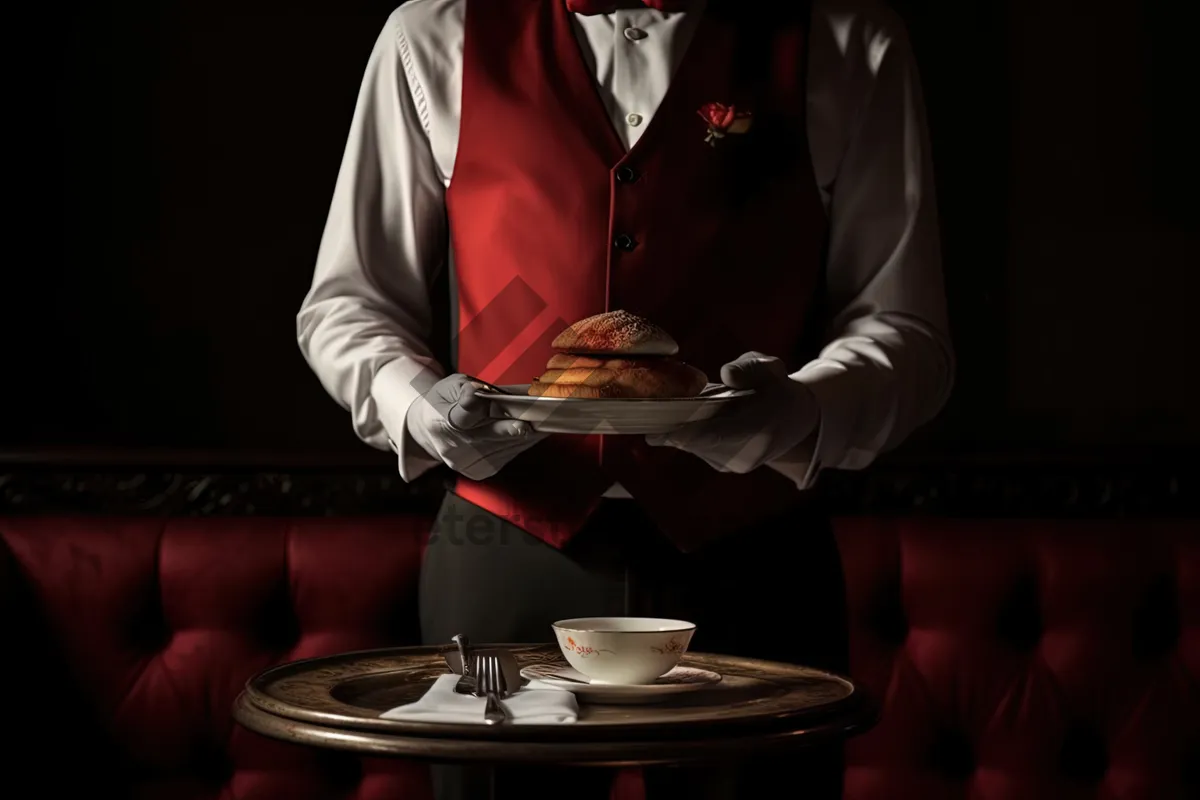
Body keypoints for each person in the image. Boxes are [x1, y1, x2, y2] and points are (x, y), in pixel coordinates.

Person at [297, 0, 953, 797]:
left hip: (754, 553)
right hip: (507, 550)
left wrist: (801, 412)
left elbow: (905, 327)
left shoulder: (848, 41)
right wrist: (418, 407)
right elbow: (350, 304)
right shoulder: (432, 36)